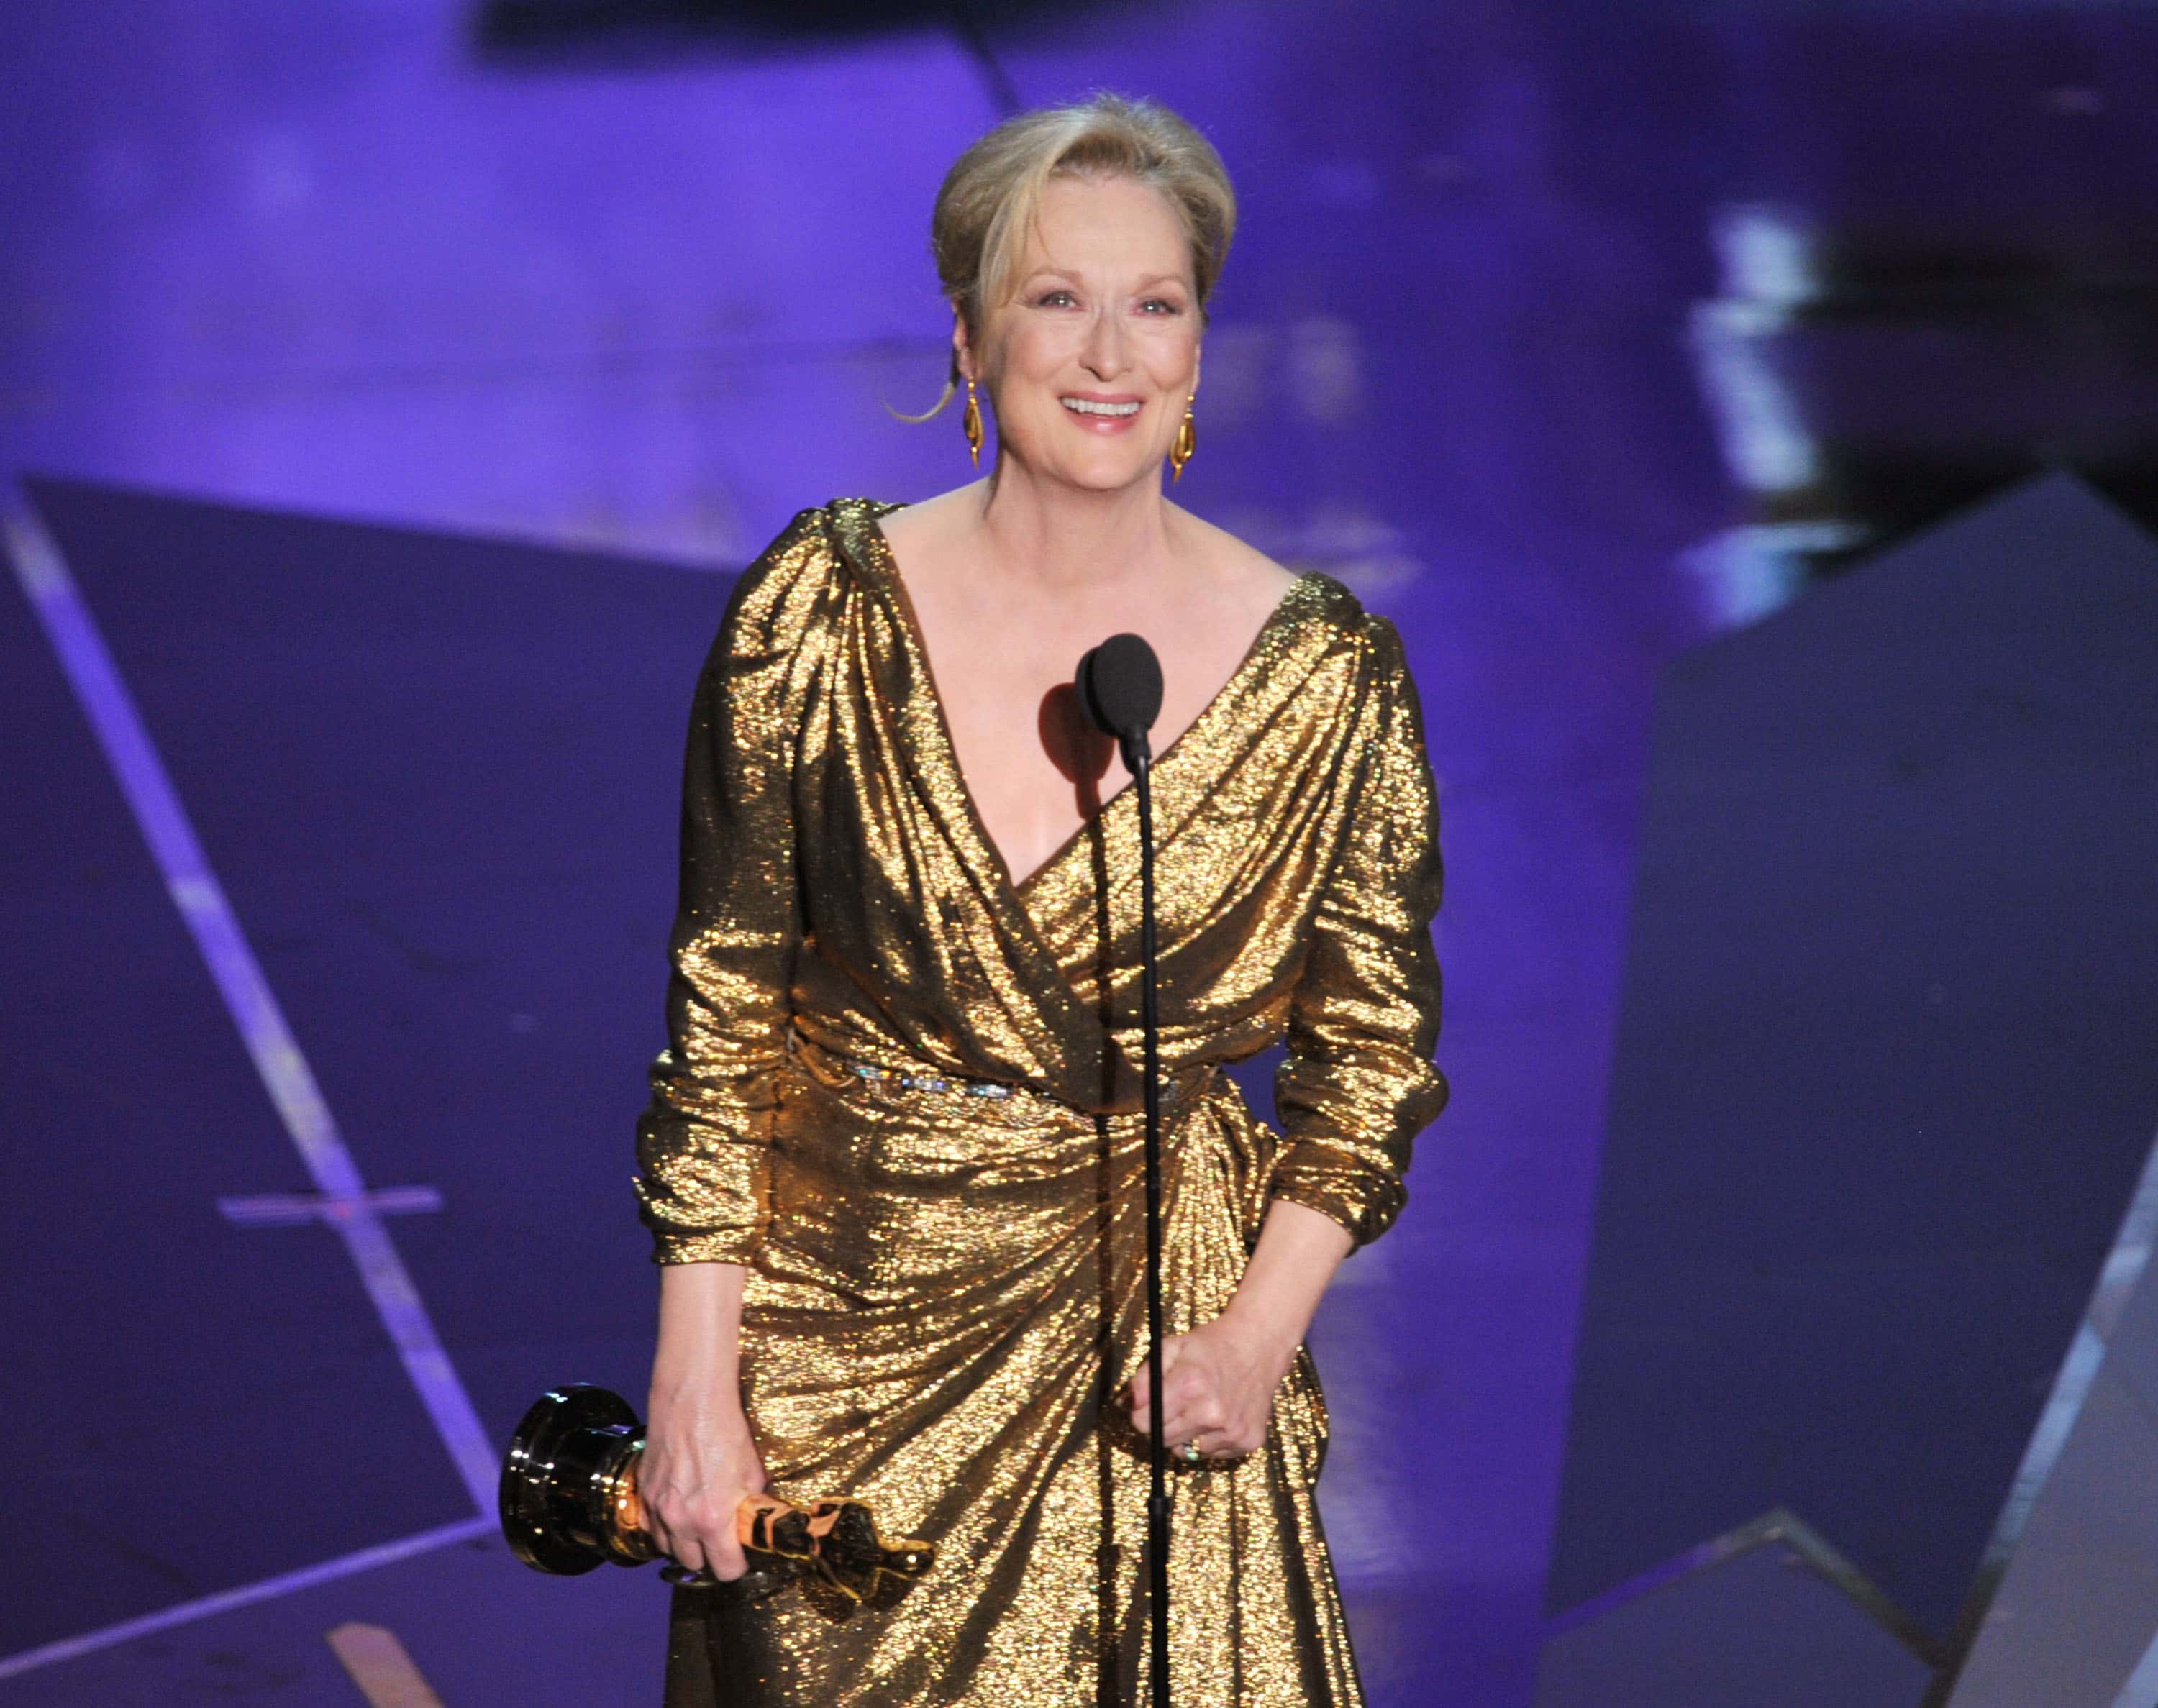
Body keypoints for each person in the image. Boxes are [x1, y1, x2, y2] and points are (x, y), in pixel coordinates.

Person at [631, 92, 1447, 1707]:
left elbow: (1372, 1062)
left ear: (1202, 352)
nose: (1112, 354)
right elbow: (723, 1023)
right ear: (969, 333)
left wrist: (1253, 1338)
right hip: (847, 1369)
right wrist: (692, 1379)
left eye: (1158, 305)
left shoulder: (1326, 671)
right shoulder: (818, 616)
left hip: (1165, 1366)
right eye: (1057, 298)